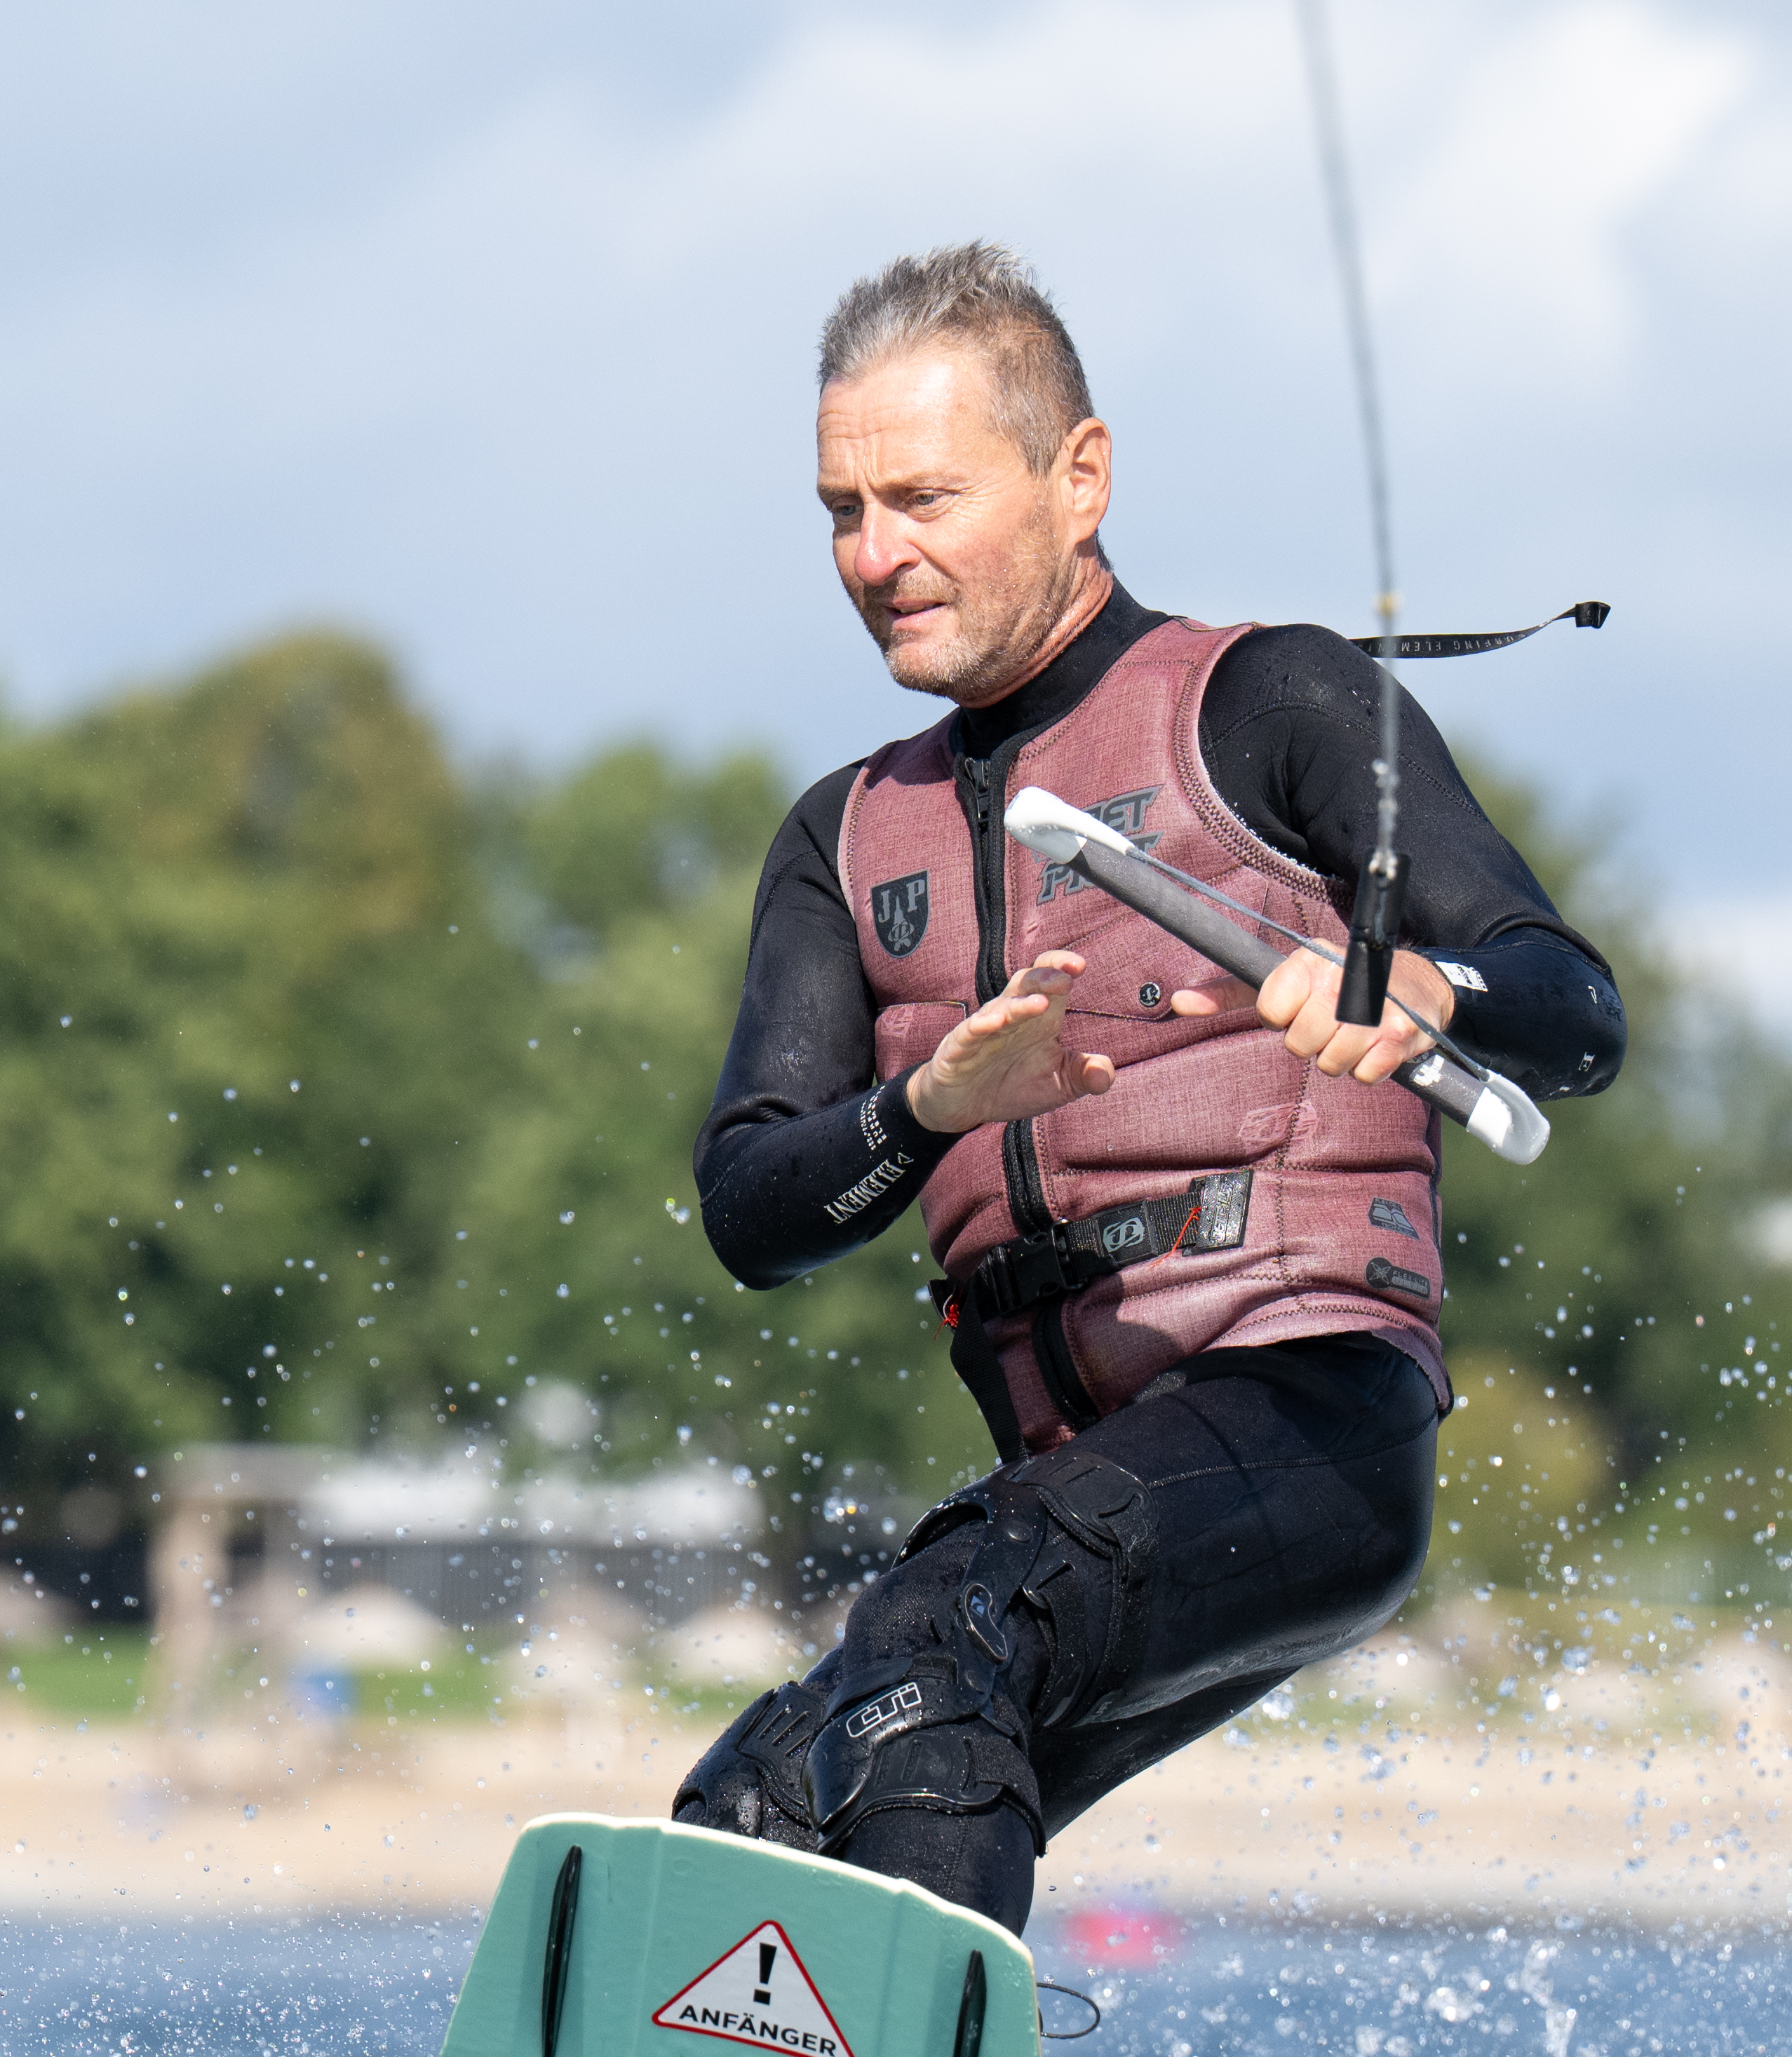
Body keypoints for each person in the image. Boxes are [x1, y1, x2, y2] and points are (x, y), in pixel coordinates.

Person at [671, 242, 1626, 1934]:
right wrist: (927, 1113)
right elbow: (753, 1212)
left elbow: (1576, 1011)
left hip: (1312, 1418)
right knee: (756, 1807)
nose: (874, 557)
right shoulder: (842, 837)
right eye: (840, 510)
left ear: (1080, 474)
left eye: (922, 498)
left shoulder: (1280, 700)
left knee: (935, 1640)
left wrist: (1426, 988)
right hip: (1080, 1481)